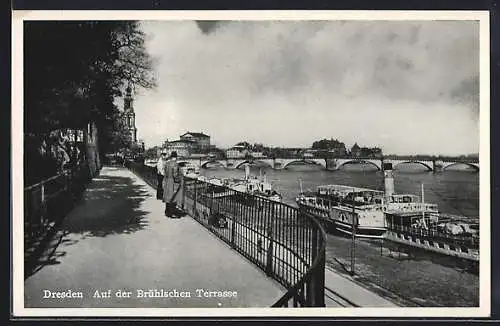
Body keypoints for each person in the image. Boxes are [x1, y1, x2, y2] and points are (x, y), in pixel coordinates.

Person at [163, 151, 179, 217]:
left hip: (167, 181)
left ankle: (167, 212)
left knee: (167, 197)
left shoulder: (167, 163)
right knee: (173, 197)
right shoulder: (175, 164)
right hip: (172, 182)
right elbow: (175, 175)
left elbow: (165, 172)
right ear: (176, 157)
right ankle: (172, 213)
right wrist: (178, 182)